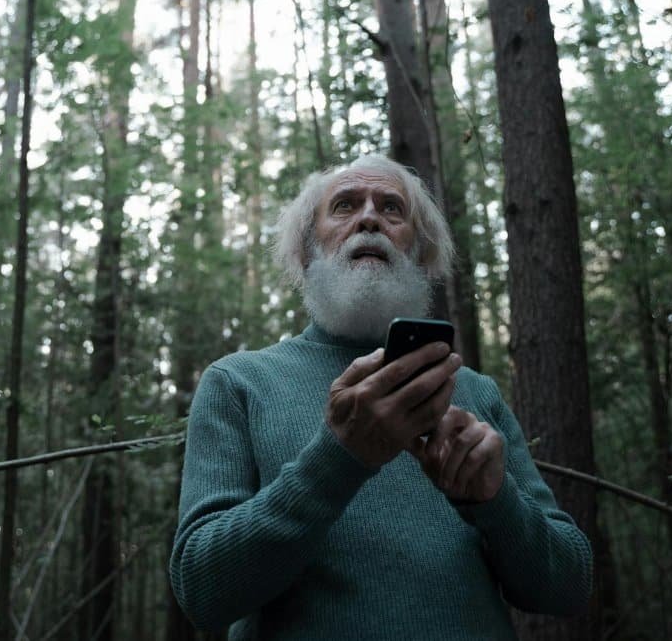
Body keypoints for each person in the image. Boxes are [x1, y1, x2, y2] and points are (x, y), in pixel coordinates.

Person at [168, 153, 593, 639]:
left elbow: (570, 587)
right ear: (307, 251)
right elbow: (201, 591)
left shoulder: (474, 392)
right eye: (345, 206)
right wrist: (339, 457)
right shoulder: (239, 382)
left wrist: (496, 501)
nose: (369, 217)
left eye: (392, 209)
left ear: (419, 253)